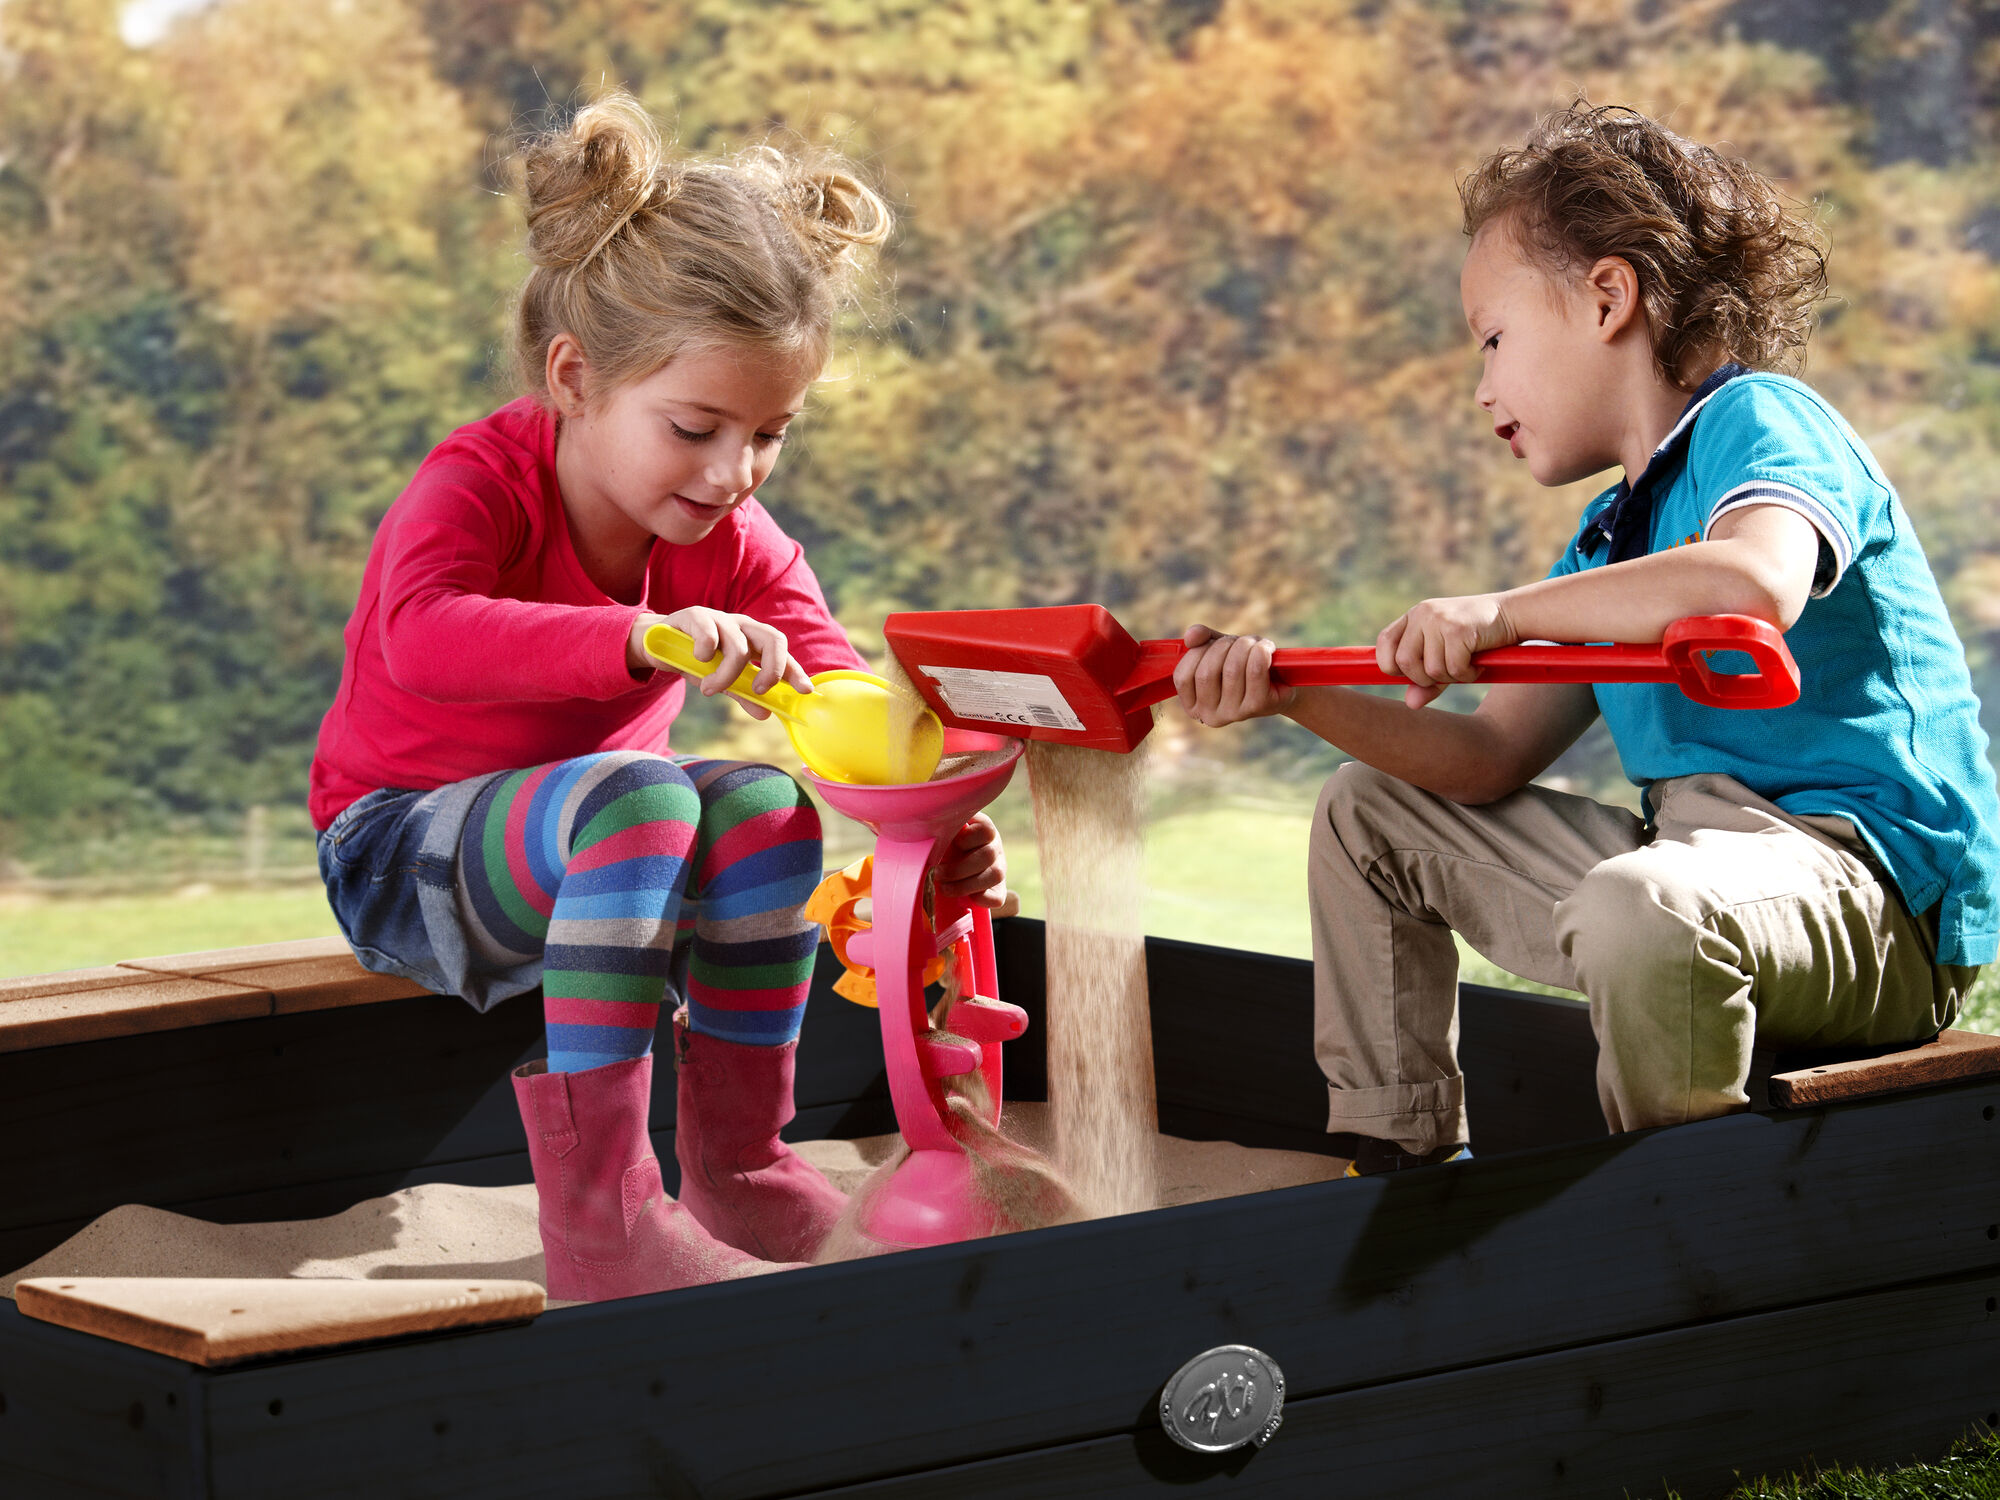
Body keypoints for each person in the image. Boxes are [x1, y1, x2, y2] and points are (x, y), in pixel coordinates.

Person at [1173, 101, 1999, 1174]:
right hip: (1693, 872)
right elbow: (1483, 761)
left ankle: (1674, 1211)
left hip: (1869, 902)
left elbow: (1752, 584)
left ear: (1608, 297)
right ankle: (1397, 1170)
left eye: (1492, 338)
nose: (1480, 388)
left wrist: (1500, 612)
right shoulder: (1610, 541)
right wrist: (1293, 694)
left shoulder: (1764, 421)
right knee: (1365, 813)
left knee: (1639, 905)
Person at [309, 92, 1007, 1298]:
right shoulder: (479, 484)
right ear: (574, 378)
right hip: (400, 853)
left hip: (604, 865)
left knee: (766, 804)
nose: (732, 474)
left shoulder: (732, 537)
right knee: (640, 791)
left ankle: (737, 1160)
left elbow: (837, 697)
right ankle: (602, 1211)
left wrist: (928, 828)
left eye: (769, 433)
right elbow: (420, 638)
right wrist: (641, 639)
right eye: (695, 428)